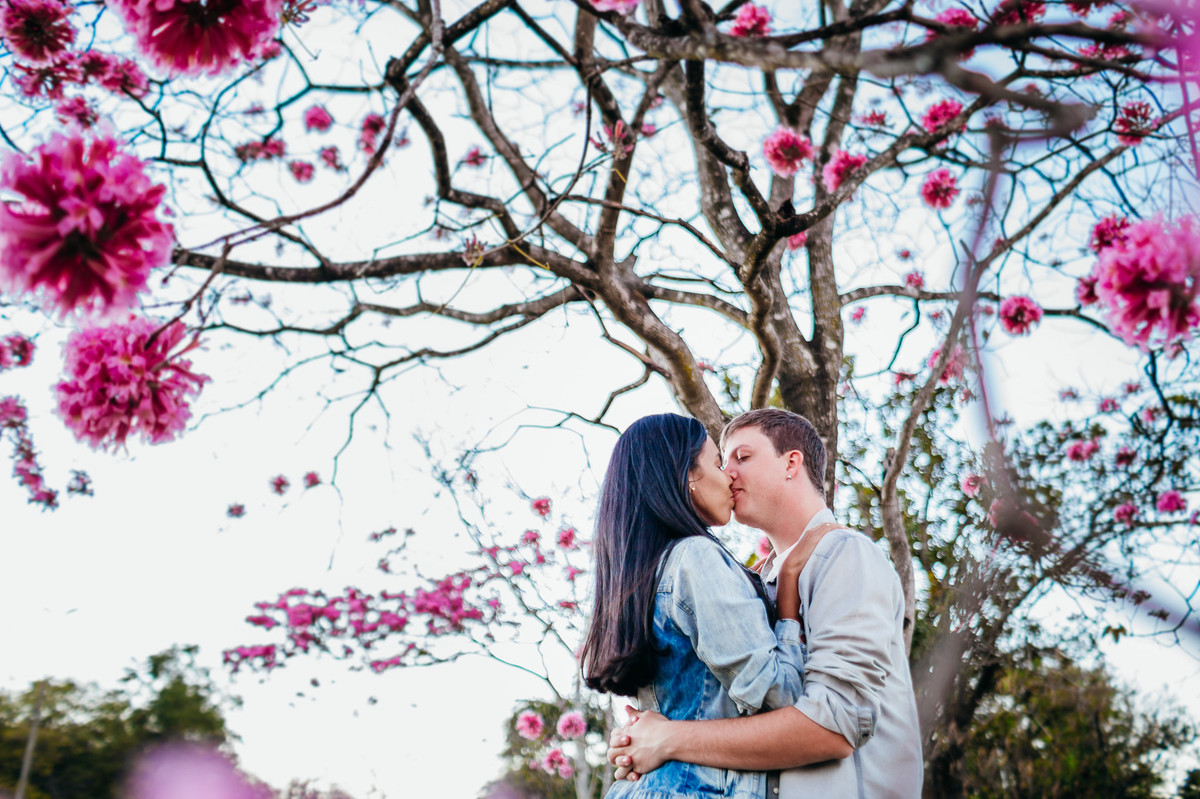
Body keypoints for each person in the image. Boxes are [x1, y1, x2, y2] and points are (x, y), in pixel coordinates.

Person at [607, 408, 924, 798]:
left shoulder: (844, 555)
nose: (728, 473)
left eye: (742, 457)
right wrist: (642, 738)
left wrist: (667, 737)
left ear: (791, 463)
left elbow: (833, 725)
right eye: (722, 462)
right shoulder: (749, 580)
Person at [580, 413, 827, 799]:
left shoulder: (646, 572)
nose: (729, 475)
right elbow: (782, 698)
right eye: (716, 462)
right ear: (687, 477)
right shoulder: (695, 558)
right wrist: (789, 605)